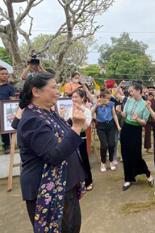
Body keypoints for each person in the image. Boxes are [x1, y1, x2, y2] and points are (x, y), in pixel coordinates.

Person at [17, 72, 86, 233]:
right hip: (47, 191)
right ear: (36, 91)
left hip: (64, 187)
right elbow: (54, 156)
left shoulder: (48, 113)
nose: (58, 92)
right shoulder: (32, 120)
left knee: (72, 228)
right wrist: (76, 127)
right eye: (54, 87)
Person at [118, 82, 154, 191]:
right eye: (130, 91)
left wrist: (137, 119)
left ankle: (147, 173)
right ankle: (128, 178)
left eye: (132, 90)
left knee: (136, 155)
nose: (130, 92)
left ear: (138, 91)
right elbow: (125, 115)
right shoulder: (129, 100)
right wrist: (120, 112)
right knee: (125, 154)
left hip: (136, 130)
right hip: (126, 129)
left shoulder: (145, 104)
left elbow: (144, 122)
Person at [66, 89, 94, 191]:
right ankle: (76, 182)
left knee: (83, 159)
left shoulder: (86, 111)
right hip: (70, 137)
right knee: (72, 160)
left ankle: (88, 181)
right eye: (72, 97)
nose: (73, 99)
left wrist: (81, 113)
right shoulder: (69, 109)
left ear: (82, 98)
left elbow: (86, 126)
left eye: (76, 97)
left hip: (81, 137)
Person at [92, 89, 121, 172]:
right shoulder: (97, 104)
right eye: (106, 98)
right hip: (100, 126)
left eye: (108, 98)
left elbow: (114, 115)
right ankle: (103, 163)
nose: (107, 100)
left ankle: (111, 161)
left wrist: (118, 126)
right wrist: (96, 105)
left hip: (111, 125)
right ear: (101, 97)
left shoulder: (111, 104)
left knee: (112, 144)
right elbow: (90, 113)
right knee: (104, 145)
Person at [0, 66, 16, 153]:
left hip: (4, 112)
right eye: (2, 74)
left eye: (6, 74)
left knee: (5, 130)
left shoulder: (10, 87)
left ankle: (7, 146)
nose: (5, 75)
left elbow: (12, 101)